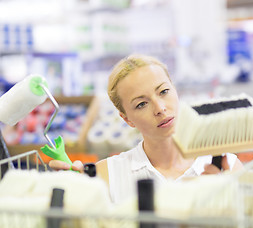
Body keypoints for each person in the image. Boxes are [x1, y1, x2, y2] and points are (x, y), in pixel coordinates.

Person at [49, 54, 243, 201]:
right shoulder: (106, 176)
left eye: (164, 91)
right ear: (127, 119)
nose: (160, 108)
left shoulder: (227, 167)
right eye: (141, 104)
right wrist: (66, 192)